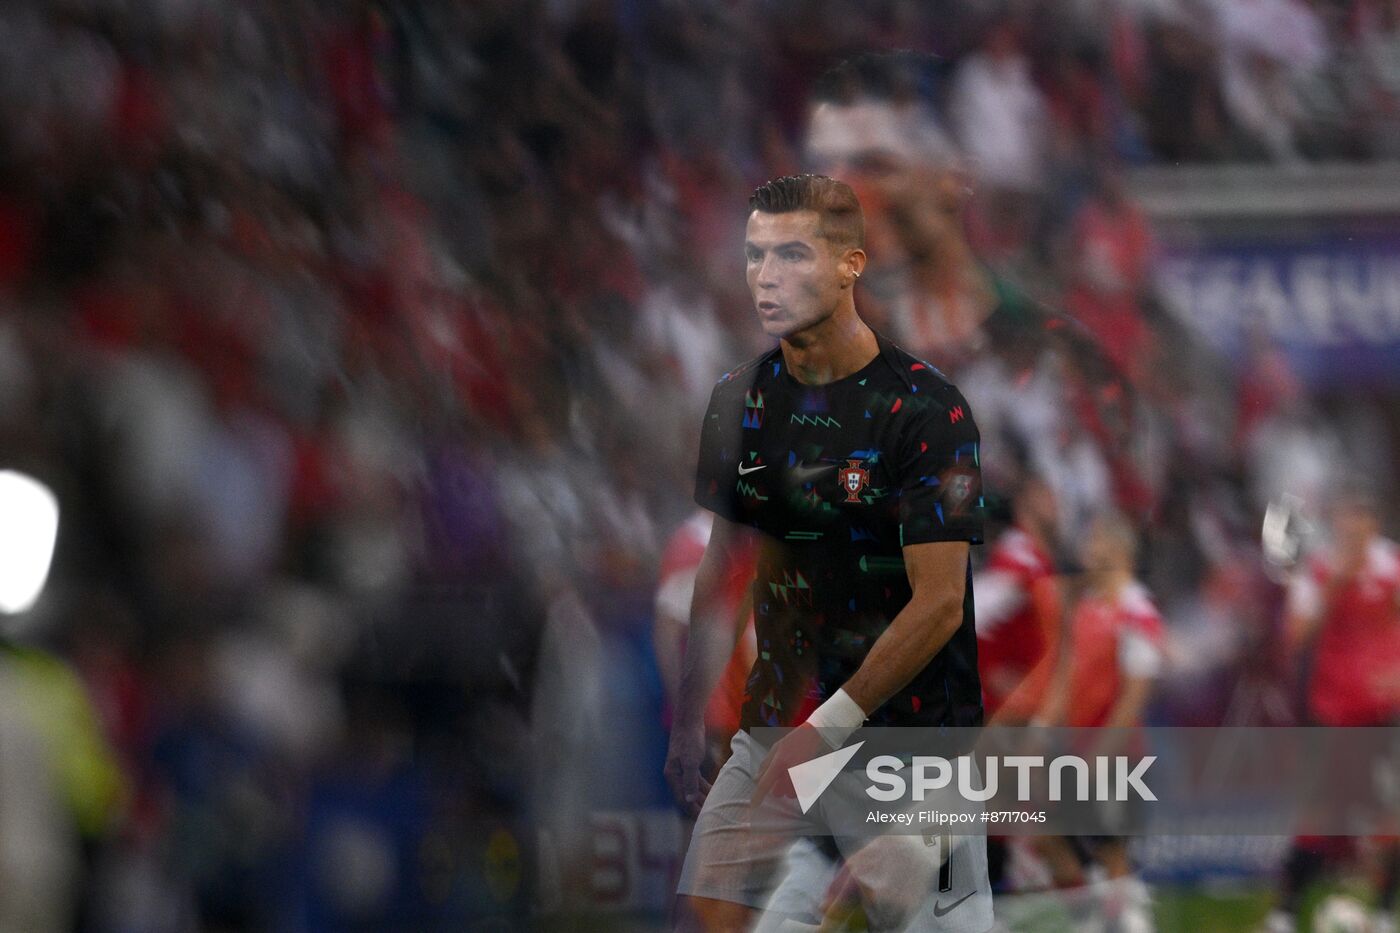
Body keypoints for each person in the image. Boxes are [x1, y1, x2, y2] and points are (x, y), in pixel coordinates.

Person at [664, 173, 992, 932]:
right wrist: (704, 723)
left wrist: (824, 725)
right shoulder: (742, 402)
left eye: (792, 254)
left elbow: (940, 601)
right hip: (822, 760)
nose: (766, 275)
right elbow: (741, 570)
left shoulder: (927, 409)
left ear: (851, 266)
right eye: (755, 254)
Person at [1263, 488, 1400, 933]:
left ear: (1373, 525)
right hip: (1333, 712)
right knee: (1316, 816)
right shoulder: (1319, 570)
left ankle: (1381, 914)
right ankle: (1285, 912)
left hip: (1384, 715)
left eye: (1360, 520)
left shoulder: (1392, 567)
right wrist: (1335, 585)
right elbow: (1296, 635)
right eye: (1345, 521)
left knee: (1389, 817)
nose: (1352, 530)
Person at [1029, 511, 1162, 932]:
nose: (1087, 551)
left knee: (1111, 851)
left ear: (1118, 551)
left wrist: (1098, 759)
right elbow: (1066, 677)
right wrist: (1039, 729)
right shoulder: (1087, 608)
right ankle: (1092, 918)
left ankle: (1128, 923)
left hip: (1116, 758)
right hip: (1074, 750)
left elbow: (1132, 699)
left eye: (1095, 542)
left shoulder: (1137, 613)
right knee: (1045, 838)